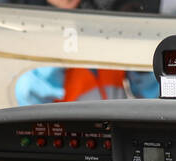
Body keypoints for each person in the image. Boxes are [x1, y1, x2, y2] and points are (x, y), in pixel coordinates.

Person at [12, 0, 160, 105]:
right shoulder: (39, 35)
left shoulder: (109, 30)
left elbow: (152, 93)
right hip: (72, 138)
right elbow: (28, 96)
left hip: (115, 135)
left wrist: (139, 57)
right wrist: (62, 46)